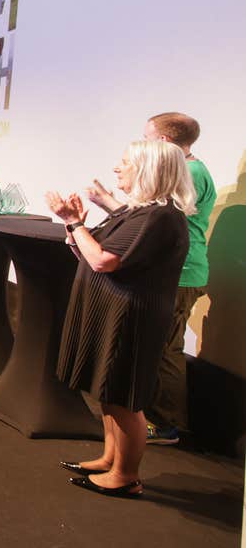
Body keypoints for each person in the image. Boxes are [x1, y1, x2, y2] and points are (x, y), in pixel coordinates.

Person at [47, 139, 194, 498]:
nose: (117, 168)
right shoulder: (138, 212)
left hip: (131, 319)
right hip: (114, 312)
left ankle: (126, 476)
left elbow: (101, 260)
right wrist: (76, 226)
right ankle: (110, 458)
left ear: (149, 170)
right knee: (109, 392)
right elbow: (89, 247)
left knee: (124, 397)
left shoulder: (159, 217)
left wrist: (72, 222)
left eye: (125, 162)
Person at [94, 113, 215, 446]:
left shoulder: (188, 172)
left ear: (162, 143)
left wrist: (108, 204)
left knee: (164, 349)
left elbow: (152, 218)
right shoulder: (193, 170)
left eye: (146, 138)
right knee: (162, 347)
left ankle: (165, 422)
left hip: (180, 273)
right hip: (178, 271)